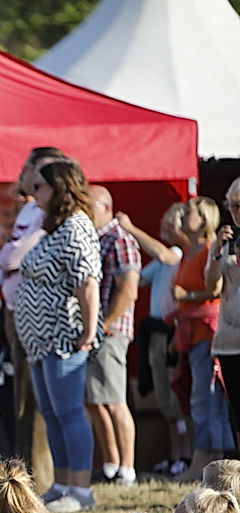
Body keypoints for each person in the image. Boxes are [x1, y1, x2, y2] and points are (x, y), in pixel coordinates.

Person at [15, 159, 102, 513]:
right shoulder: (55, 227)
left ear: (59, 188)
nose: (32, 193)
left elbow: (88, 282)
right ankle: (63, 483)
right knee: (52, 413)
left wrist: (88, 328)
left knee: (68, 411)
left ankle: (81, 490)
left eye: (39, 187)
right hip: (41, 340)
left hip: (65, 336)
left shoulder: (77, 227)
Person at [0, 148, 66, 494]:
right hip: (16, 312)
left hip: (41, 318)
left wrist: (10, 256)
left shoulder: (51, 216)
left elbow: (15, 258)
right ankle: (25, 476)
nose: (28, 177)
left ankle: (43, 477)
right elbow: (6, 256)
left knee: (40, 402)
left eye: (36, 173)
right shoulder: (30, 209)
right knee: (20, 398)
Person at [123, 203, 191, 475]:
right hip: (155, 334)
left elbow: (165, 255)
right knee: (164, 397)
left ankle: (186, 454)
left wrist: (130, 229)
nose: (161, 226)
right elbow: (138, 280)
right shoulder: (161, 263)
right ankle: (175, 454)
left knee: (176, 397)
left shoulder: (174, 254)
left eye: (166, 222)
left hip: (170, 334)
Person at [172, 198, 232, 480]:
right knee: (199, 398)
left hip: (207, 332)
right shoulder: (189, 250)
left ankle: (207, 463)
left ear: (204, 218)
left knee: (206, 398)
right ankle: (204, 461)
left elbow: (215, 289)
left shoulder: (210, 249)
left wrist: (190, 297)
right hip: (191, 332)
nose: (182, 218)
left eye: (188, 213)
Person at [85, 185, 141, 486]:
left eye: (88, 205)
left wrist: (105, 323)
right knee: (94, 400)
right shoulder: (97, 239)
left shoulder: (119, 239)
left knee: (115, 401)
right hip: (96, 332)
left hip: (110, 331)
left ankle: (127, 468)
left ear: (105, 206)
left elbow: (128, 290)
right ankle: (111, 464)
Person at [208, 178, 240, 454]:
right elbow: (212, 288)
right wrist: (217, 253)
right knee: (236, 410)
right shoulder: (225, 242)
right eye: (233, 207)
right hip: (229, 338)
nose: (237, 213)